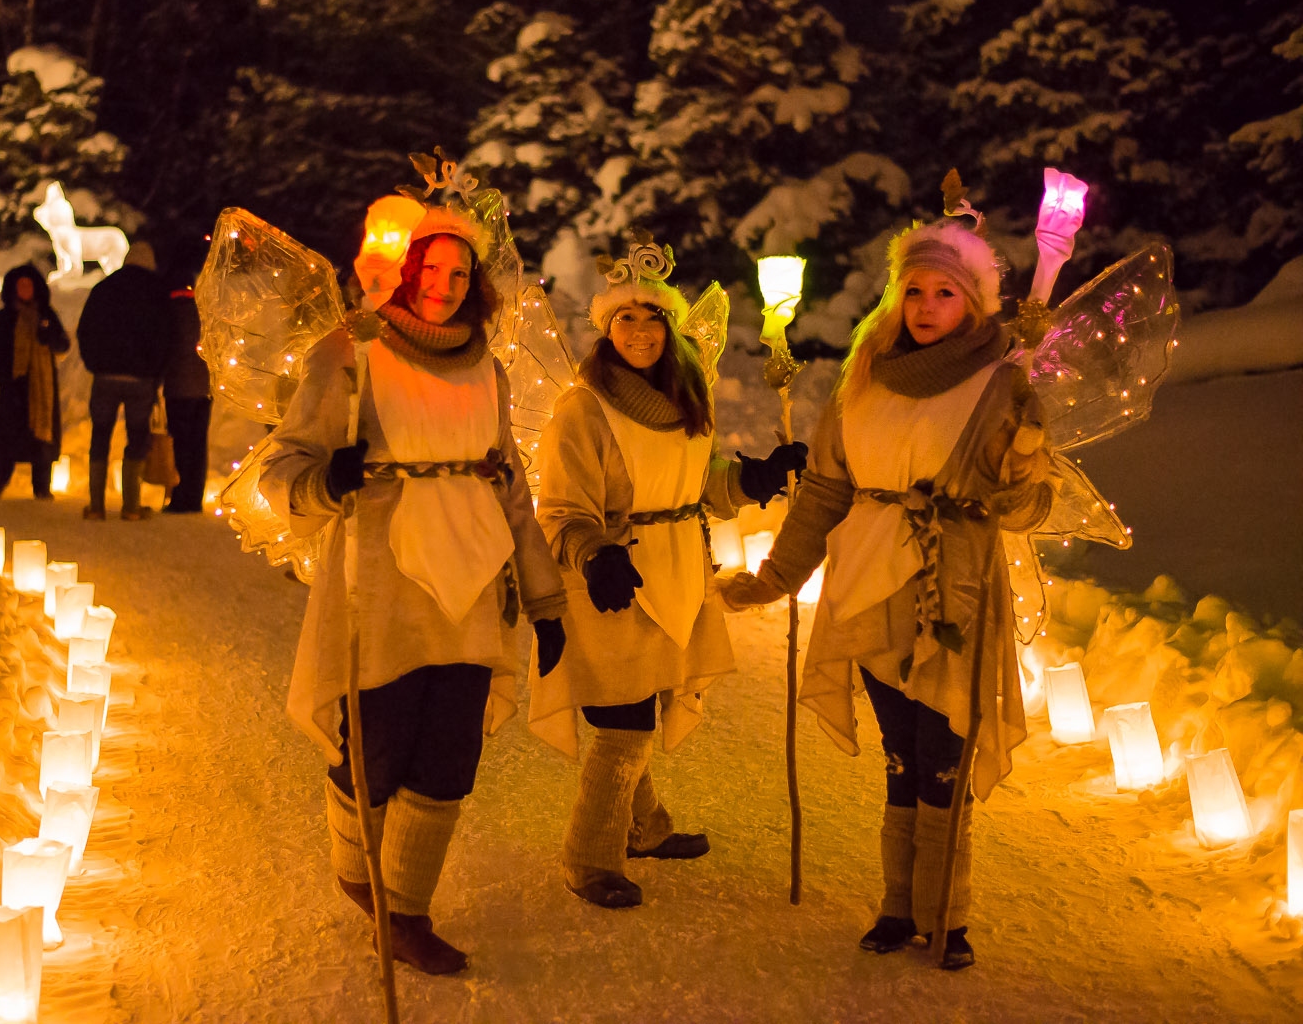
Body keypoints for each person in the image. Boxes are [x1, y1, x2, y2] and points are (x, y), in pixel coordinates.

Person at [722, 219, 1054, 970]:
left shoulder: (1002, 379)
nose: (927, 306)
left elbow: (1027, 509)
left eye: (945, 292)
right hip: (868, 585)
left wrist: (1028, 461)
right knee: (901, 757)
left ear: (973, 303)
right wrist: (778, 575)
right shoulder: (862, 380)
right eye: (915, 292)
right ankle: (898, 907)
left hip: (953, 592)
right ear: (895, 299)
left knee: (945, 755)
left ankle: (949, 915)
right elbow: (826, 492)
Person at [259, 203, 567, 976]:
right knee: (376, 750)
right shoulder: (351, 356)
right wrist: (326, 477)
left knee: (450, 756)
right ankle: (359, 873)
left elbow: (514, 489)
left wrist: (545, 600)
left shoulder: (487, 370)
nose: (444, 286)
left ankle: (406, 914)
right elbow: (282, 466)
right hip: (382, 590)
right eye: (431, 270)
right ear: (406, 271)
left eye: (460, 274)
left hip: (473, 585)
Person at [531, 241, 807, 909]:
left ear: (671, 327)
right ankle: (587, 859)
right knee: (623, 721)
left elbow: (702, 488)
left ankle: (645, 828)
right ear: (606, 328)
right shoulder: (584, 409)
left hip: (679, 570)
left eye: (653, 318)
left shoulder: (687, 399)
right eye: (625, 319)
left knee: (644, 704)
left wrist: (754, 479)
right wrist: (595, 555)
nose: (641, 332)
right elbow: (561, 510)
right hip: (612, 576)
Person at [76, 241, 171, 519]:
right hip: (141, 379)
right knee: (137, 435)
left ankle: (96, 506)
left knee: (100, 434)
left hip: (105, 375)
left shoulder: (105, 288)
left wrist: (94, 363)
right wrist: (157, 372)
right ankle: (131, 506)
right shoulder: (157, 292)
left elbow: (86, 330)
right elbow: (166, 336)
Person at [0, 265, 71, 498]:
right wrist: (4, 379)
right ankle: (2, 478)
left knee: (41, 434)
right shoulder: (5, 317)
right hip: (15, 383)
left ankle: (42, 486)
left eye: (29, 284)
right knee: (8, 433)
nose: (25, 289)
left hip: (41, 385)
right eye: (20, 285)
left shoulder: (46, 314)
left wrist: (48, 336)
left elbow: (62, 344)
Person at [161, 266, 212, 513]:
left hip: (179, 390)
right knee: (198, 444)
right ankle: (196, 496)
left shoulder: (168, 313)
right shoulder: (203, 311)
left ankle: (181, 498)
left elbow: (165, 349)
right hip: (203, 390)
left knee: (181, 445)